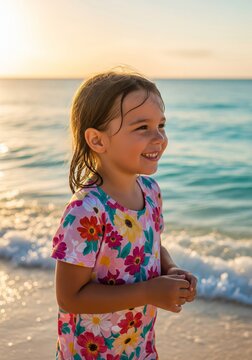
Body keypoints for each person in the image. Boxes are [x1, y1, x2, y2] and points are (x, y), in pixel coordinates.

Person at [51, 68, 197, 360]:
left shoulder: (151, 191)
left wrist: (169, 270)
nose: (159, 138)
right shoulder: (87, 210)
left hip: (139, 347)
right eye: (142, 127)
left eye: (161, 125)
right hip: (91, 353)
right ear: (98, 140)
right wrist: (148, 292)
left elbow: (151, 243)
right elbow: (69, 297)